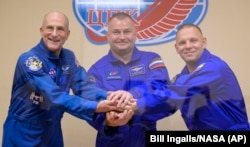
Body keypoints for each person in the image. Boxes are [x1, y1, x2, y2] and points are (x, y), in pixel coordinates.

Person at [2, 11, 128, 147]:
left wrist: (109, 96)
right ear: (42, 31)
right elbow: (54, 96)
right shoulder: (29, 60)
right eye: (50, 28)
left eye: (60, 29)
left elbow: (84, 87)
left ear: (67, 34)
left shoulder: (68, 57)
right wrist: (96, 107)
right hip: (23, 133)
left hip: (52, 131)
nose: (55, 34)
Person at [136, 23, 250, 130]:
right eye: (182, 43)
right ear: (176, 48)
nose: (188, 46)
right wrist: (131, 114)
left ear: (203, 43)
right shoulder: (182, 77)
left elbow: (176, 93)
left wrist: (136, 105)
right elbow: (168, 104)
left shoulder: (214, 68)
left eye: (193, 40)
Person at [87, 12, 176, 147]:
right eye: (116, 32)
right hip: (110, 142)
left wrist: (134, 98)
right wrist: (108, 121)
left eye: (127, 31)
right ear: (108, 36)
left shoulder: (151, 60)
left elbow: (163, 92)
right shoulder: (96, 70)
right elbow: (88, 104)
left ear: (135, 34)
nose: (122, 37)